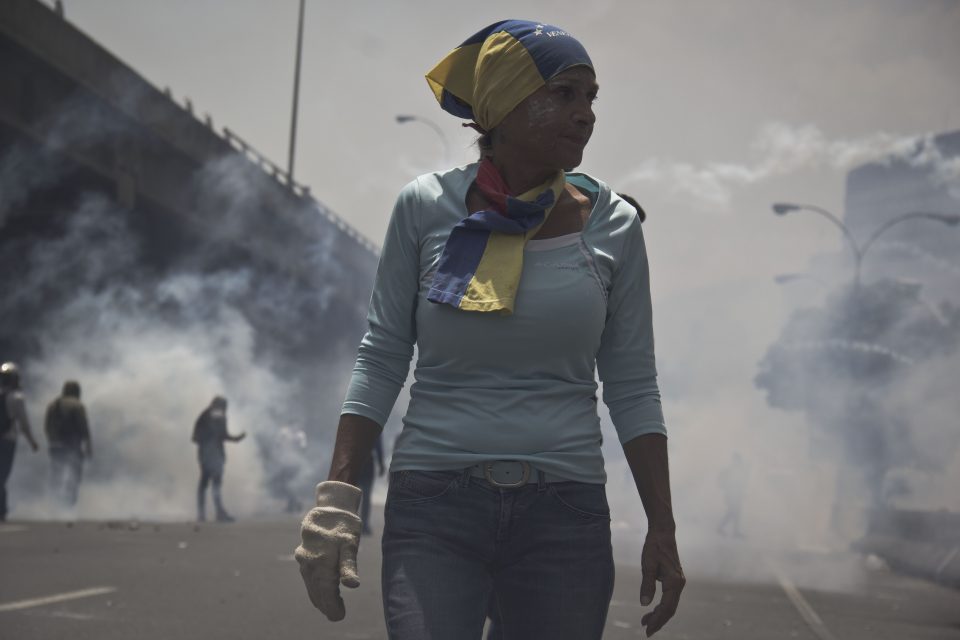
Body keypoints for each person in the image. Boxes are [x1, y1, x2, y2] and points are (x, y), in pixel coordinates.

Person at [296, 19, 684, 639]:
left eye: (591, 97)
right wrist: (337, 499)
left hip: (565, 513)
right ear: (504, 102)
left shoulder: (614, 225)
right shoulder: (424, 206)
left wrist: (662, 526)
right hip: (434, 506)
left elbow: (633, 384)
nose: (586, 114)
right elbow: (382, 356)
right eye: (564, 93)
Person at [192, 396, 245, 522]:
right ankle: (211, 513)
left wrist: (235, 439)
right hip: (209, 454)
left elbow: (222, 435)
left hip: (212, 454)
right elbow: (197, 437)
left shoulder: (213, 415)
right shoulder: (209, 415)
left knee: (210, 483)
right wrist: (209, 441)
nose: (223, 409)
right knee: (210, 483)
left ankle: (209, 513)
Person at [0, 362, 40, 521]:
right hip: (8, 441)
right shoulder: (17, 398)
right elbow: (24, 424)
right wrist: (32, 442)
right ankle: (2, 510)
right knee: (3, 475)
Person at [44, 380, 92, 508]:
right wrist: (88, 446)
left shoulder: (53, 405)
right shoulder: (77, 405)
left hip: (55, 446)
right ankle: (68, 504)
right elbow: (84, 428)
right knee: (74, 476)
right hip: (72, 447)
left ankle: (52, 504)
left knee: (56, 475)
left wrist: (53, 441)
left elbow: (47, 426)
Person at [355, 434, 385, 536]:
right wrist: (381, 464)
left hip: (357, 462)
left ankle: (353, 522)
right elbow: (379, 446)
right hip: (367, 463)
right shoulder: (376, 428)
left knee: (355, 495)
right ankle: (364, 525)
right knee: (366, 496)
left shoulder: (357, 427)